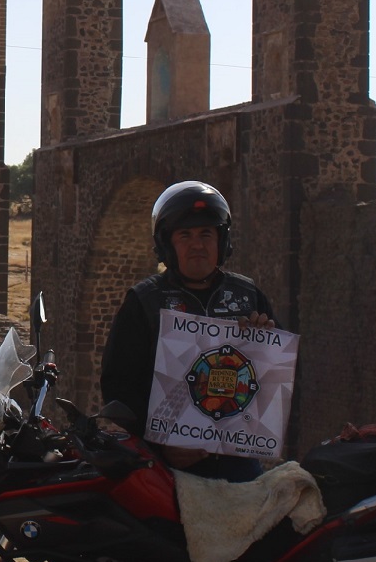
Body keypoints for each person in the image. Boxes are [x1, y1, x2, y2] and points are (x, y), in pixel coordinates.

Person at [101, 180, 276, 482]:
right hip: (165, 464)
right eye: (186, 235)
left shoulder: (248, 296)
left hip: (237, 459)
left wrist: (266, 344)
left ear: (222, 241)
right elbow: (119, 385)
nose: (197, 244)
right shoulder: (144, 301)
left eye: (206, 234)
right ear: (167, 244)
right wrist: (160, 443)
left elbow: (277, 381)